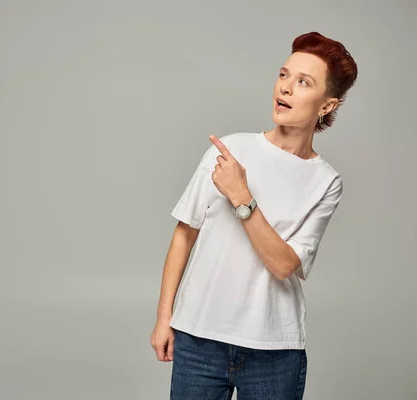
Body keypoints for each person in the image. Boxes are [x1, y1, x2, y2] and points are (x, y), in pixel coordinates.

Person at [150, 32, 358, 399]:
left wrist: (242, 197)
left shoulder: (326, 182)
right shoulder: (230, 149)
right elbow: (184, 234)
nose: (286, 88)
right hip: (198, 340)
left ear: (327, 106)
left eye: (303, 82)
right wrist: (164, 317)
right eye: (283, 75)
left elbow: (283, 264)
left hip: (273, 351)